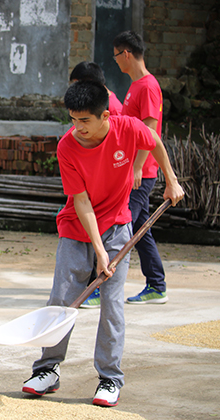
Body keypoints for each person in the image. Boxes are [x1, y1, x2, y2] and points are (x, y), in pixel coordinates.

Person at [21, 81, 183, 407]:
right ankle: (47, 370)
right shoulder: (68, 146)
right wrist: (99, 251)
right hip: (76, 228)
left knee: (112, 306)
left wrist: (172, 179)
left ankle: (109, 378)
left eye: (84, 121)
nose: (77, 128)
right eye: (72, 120)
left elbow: (154, 142)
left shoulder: (128, 128)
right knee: (62, 300)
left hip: (118, 226)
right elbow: (80, 203)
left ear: (105, 116)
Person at [113, 30, 169, 304]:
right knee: (139, 228)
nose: (116, 62)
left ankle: (103, 287)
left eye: (116, 56)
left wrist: (136, 167)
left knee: (122, 228)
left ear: (125, 54)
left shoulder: (147, 86)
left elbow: (149, 132)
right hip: (133, 169)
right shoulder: (135, 85)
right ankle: (157, 285)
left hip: (141, 172)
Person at [69, 61, 122, 309]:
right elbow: (81, 199)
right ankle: (95, 282)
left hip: (112, 195)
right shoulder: (72, 140)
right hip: (89, 195)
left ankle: (98, 286)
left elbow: (149, 135)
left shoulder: (116, 117)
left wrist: (136, 169)